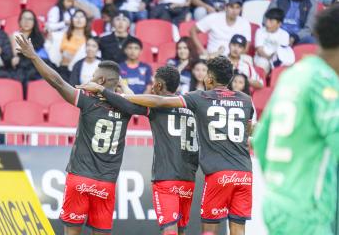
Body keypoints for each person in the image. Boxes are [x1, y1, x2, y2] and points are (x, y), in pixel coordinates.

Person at [91, 56, 255, 235]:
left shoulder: (198, 99)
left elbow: (149, 101)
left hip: (192, 175)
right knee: (238, 228)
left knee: (202, 229)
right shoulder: (245, 100)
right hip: (238, 173)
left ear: (209, 78)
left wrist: (109, 91)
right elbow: (248, 130)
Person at [16, 34, 135, 235]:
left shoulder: (88, 100)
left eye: (94, 76)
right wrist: (121, 85)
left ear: (101, 80)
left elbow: (57, 82)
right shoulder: (127, 107)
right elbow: (134, 100)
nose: (89, 79)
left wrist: (34, 57)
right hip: (106, 183)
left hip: (80, 178)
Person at [77, 66, 199, 235]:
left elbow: (129, 104)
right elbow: (136, 99)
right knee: (181, 229)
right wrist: (124, 85)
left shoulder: (156, 106)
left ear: (158, 86)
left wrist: (102, 90)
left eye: (153, 83)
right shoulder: (191, 107)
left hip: (167, 176)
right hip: (188, 179)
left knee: (170, 229)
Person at [253, 4, 339, 235]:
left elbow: (261, 139)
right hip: (306, 211)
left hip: (277, 202)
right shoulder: (324, 81)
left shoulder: (293, 75)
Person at [45, 9, 91, 82]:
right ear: (72, 20)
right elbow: (50, 47)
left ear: (86, 20)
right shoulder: (63, 35)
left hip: (79, 73)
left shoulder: (90, 38)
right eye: (76, 17)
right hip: (61, 70)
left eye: (82, 17)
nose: (79, 19)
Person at [11, 10, 48, 86]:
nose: (26, 22)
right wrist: (15, 58)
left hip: (36, 66)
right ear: (20, 21)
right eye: (24, 18)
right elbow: (15, 55)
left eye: (30, 19)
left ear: (34, 22)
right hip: (22, 66)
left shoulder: (40, 37)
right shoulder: (15, 35)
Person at [254, 8, 292, 75]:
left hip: (277, 60)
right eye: (267, 20)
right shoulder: (260, 31)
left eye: (271, 21)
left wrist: (274, 62)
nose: (267, 23)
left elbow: (282, 53)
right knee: (263, 63)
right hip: (262, 58)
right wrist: (269, 59)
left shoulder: (285, 35)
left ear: (279, 24)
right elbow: (260, 51)